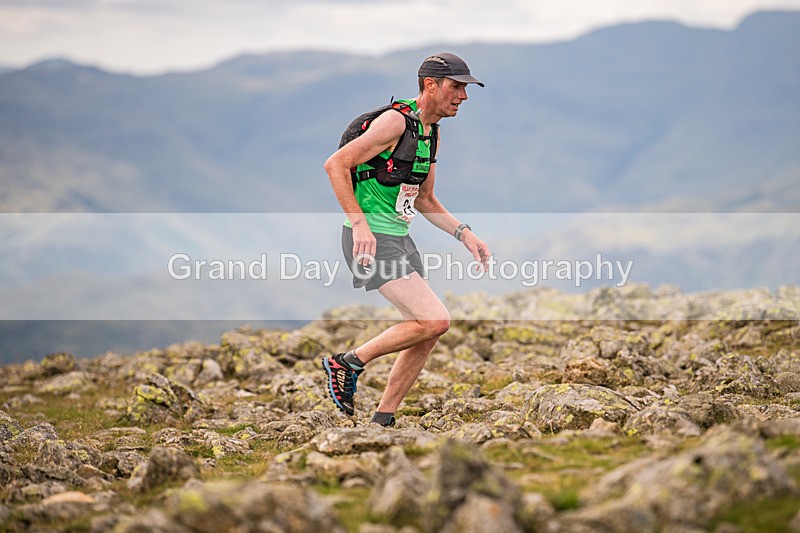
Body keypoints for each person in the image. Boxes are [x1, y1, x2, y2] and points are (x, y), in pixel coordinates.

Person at [322, 52, 491, 427]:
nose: (463, 95)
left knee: (425, 332)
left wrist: (465, 234)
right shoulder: (393, 123)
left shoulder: (431, 132)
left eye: (465, 88)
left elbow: (427, 199)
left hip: (398, 237)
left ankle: (384, 419)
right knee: (436, 320)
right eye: (456, 86)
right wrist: (359, 222)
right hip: (370, 239)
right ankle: (346, 363)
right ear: (430, 85)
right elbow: (336, 164)